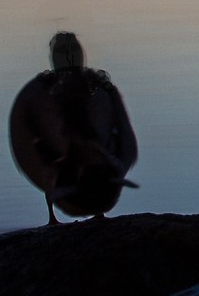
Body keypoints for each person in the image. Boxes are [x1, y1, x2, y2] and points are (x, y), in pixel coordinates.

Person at [9, 32, 140, 224]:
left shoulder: (43, 94)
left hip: (79, 183)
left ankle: (59, 211)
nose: (70, 55)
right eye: (65, 51)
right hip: (91, 183)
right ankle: (91, 204)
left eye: (72, 50)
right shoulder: (101, 90)